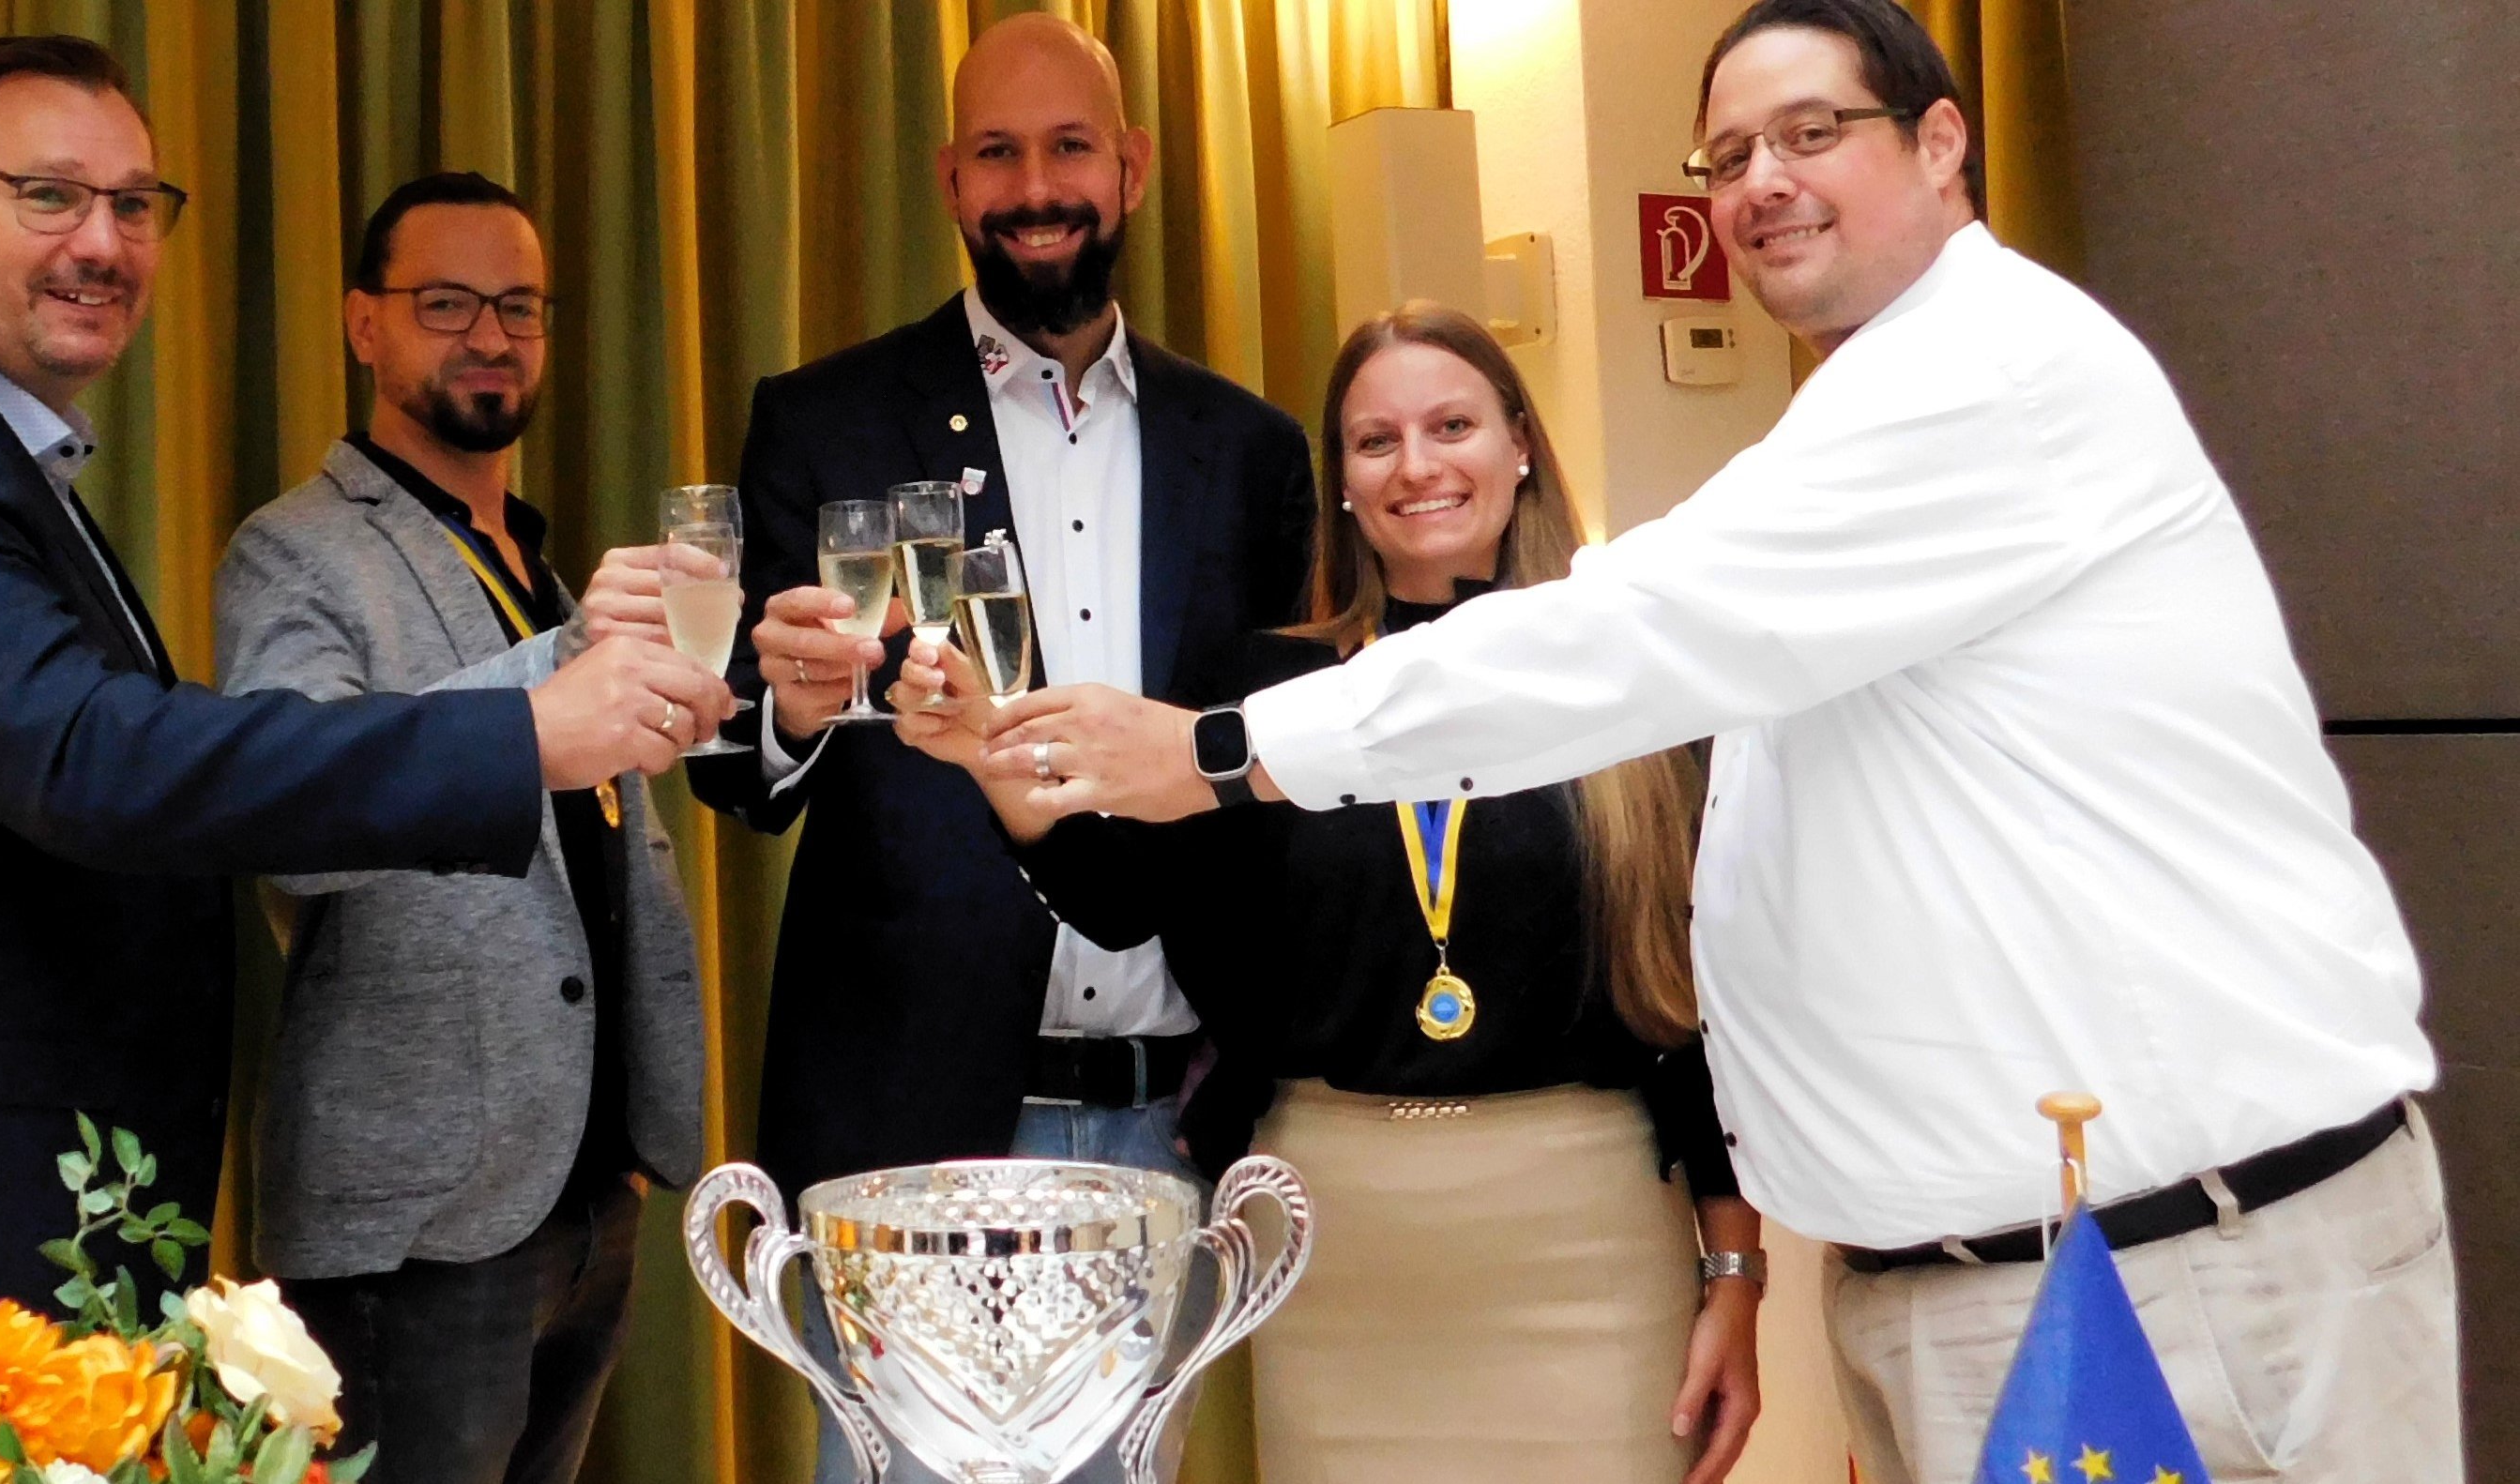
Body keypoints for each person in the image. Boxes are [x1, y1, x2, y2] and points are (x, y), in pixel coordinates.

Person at [968, 2, 2458, 1479]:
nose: (1758, 181)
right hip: (1977, 1271)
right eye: (1727, 151)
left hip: (2171, 1274)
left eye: (1812, 133)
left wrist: (1217, 750)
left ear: (1942, 144)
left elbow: (1626, 637)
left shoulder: (1984, 378)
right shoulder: (1849, 416)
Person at [0, 38, 730, 1325]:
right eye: (50, 195)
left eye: (134, 205)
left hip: (22, 1204)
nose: (103, 245)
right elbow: (98, 761)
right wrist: (520, 734)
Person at [899, 303, 1764, 1484]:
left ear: (1518, 443)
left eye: (1450, 424)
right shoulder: (1264, 693)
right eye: (1374, 440)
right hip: (1325, 1243)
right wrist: (986, 763)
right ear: (1341, 484)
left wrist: (1733, 1276)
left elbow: (1697, 1020)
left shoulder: (1617, 677)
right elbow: (1118, 897)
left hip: (1587, 1240)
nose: (1415, 466)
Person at [682, 13, 1313, 1483]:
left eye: (1069, 147)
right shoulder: (826, 420)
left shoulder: (1250, 451)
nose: (1037, 186)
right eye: (998, 153)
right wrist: (779, 706)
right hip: (914, 1130)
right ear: (949, 183)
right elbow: (734, 761)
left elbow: (1263, 789)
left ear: (1134, 168)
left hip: (1170, 1124)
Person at [211, 171, 706, 1484]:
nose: (488, 336)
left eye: (518, 307)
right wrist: (566, 664)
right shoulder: (296, 551)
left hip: (588, 1192)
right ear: (362, 325)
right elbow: (297, 812)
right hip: (412, 1219)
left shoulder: (531, 556)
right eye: (445, 303)